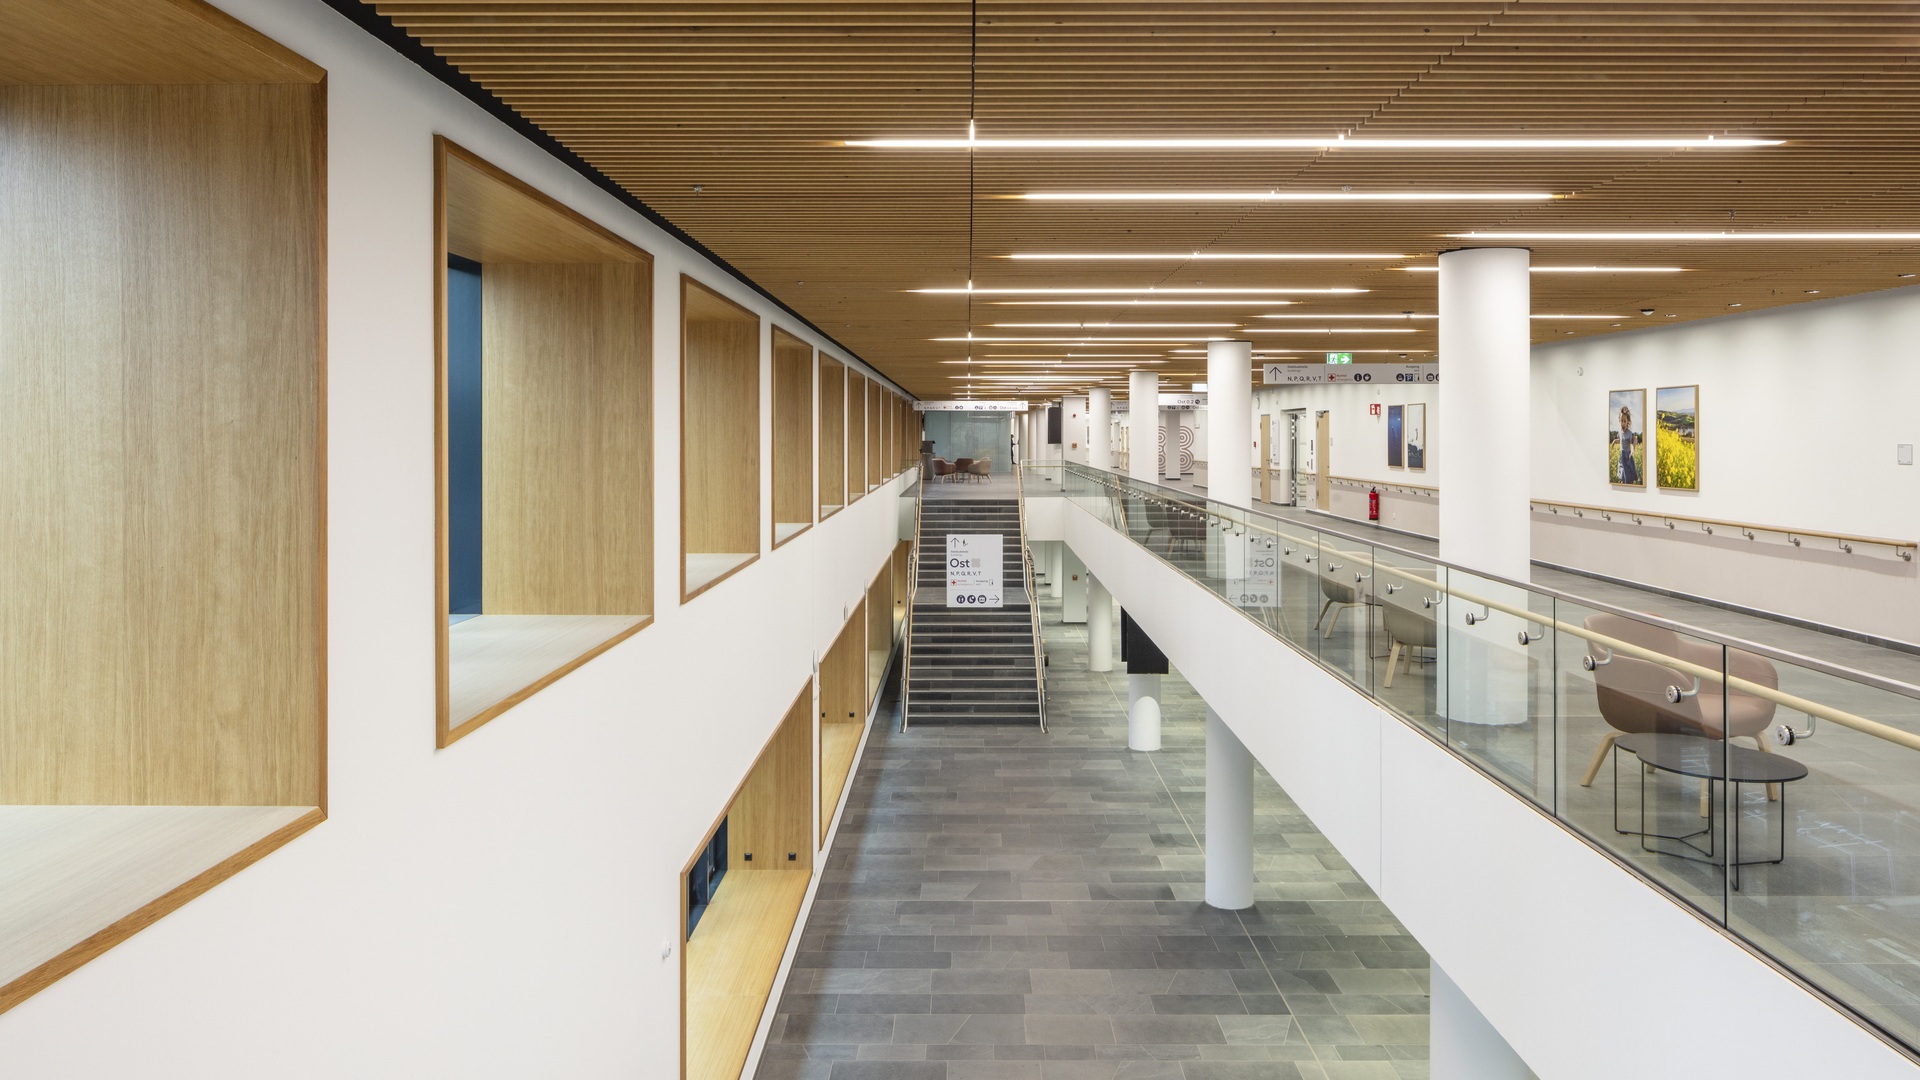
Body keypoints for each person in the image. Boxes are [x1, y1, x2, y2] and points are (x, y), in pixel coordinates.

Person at [1616, 405, 1641, 485]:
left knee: (1628, 473)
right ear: (1619, 421)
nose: (1623, 423)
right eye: (1621, 421)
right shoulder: (1620, 432)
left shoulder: (1629, 433)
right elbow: (1620, 440)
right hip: (1622, 455)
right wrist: (1614, 441)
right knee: (1622, 473)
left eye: (1624, 421)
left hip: (1628, 455)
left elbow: (1635, 439)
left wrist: (1633, 449)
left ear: (1627, 422)